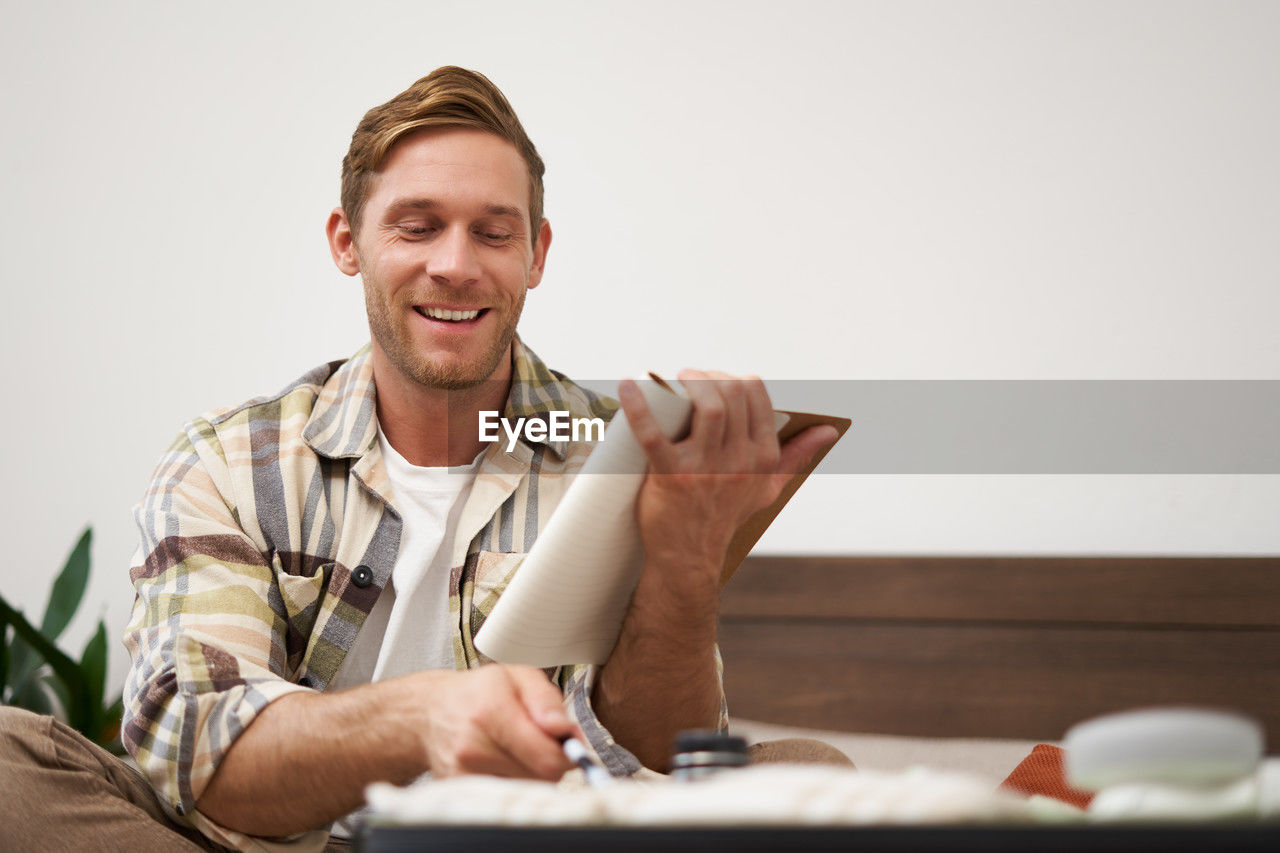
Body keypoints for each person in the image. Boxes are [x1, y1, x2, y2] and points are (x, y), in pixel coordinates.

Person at [0, 66, 839, 851]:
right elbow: (203, 757)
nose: (455, 265)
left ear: (536, 254)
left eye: (493, 232)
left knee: (808, 777)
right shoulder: (228, 462)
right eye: (418, 226)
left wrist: (683, 573)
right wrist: (422, 717)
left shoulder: (621, 455)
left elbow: (659, 768)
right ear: (348, 242)